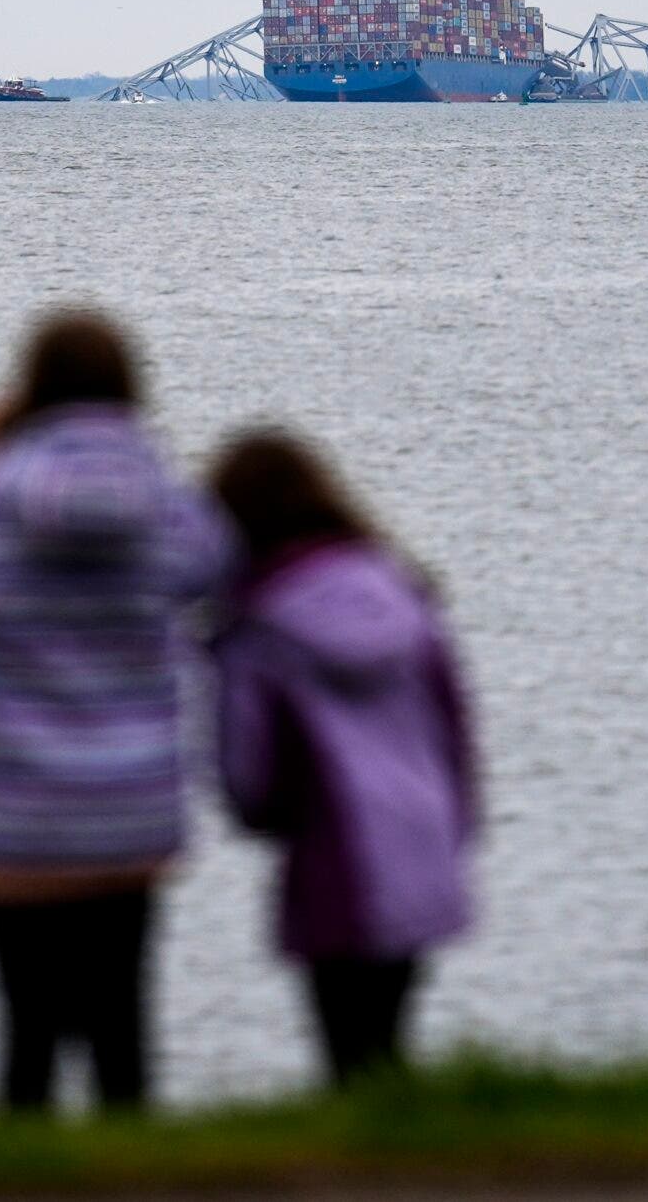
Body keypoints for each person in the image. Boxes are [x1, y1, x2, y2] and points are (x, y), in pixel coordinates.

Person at [0, 310, 228, 1111]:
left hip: (11, 814)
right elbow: (218, 566)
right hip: (128, 809)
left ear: (30, 395)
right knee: (123, 1029)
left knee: (26, 1033)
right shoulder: (164, 508)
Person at [205, 429, 478, 1086]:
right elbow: (454, 730)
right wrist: (458, 824)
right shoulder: (403, 593)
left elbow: (251, 771)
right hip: (422, 840)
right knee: (390, 1032)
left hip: (336, 851)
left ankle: (359, 1168)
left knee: (344, 1050)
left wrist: (262, 814)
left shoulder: (257, 628)